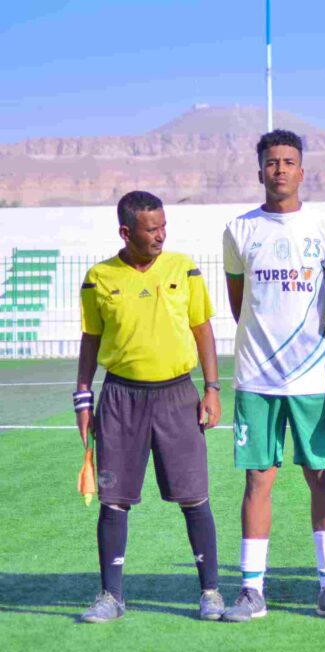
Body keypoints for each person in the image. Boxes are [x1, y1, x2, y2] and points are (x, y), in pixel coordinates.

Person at [220, 129, 325, 622]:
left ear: (302, 170)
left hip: (315, 379)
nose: (279, 169)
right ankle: (252, 591)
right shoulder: (239, 230)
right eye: (271, 162)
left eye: (288, 161)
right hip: (257, 379)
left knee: (320, 477)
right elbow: (241, 307)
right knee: (258, 480)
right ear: (260, 171)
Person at [75, 190, 224, 622]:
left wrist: (211, 388)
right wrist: (83, 396)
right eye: (151, 228)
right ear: (126, 232)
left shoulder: (184, 268)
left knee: (195, 497)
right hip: (120, 398)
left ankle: (211, 592)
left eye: (163, 226)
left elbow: (203, 329)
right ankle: (111, 596)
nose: (161, 235)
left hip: (178, 395)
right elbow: (90, 340)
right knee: (113, 500)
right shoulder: (99, 277)